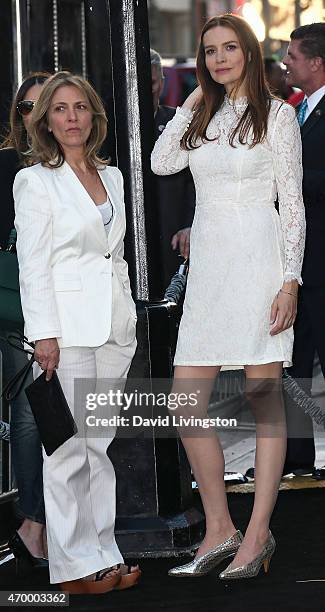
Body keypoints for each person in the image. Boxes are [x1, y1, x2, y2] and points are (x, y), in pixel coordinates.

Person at [151, 14, 305, 580]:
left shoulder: (280, 116)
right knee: (184, 401)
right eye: (209, 51)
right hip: (211, 270)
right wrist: (192, 102)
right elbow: (159, 162)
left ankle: (258, 530)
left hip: (261, 263)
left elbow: (293, 205)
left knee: (265, 400)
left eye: (229, 48)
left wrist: (290, 282)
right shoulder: (200, 116)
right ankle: (220, 526)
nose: (219, 59)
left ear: (249, 52)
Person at [13, 71, 140, 593]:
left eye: (79, 107)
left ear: (94, 116)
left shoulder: (112, 177)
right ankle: (71, 567)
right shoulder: (35, 180)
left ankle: (103, 553)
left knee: (98, 447)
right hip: (66, 329)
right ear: (46, 120)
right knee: (66, 450)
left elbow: (113, 253)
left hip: (113, 323)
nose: (71, 117)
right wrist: (44, 334)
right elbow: (33, 264)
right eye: (60, 108)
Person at [0, 72, 50, 569]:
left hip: (77, 303)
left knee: (75, 414)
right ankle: (32, 520)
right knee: (31, 413)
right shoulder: (6, 165)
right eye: (26, 107)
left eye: (45, 104)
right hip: (21, 306)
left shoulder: (81, 164)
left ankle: (57, 521)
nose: (34, 116)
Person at [282, 23, 325, 475]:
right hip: (295, 267)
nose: (285, 62)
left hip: (323, 264)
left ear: (316, 62)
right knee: (292, 369)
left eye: (292, 54)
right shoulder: (295, 109)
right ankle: (295, 459)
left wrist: (288, 186)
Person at [151, 48, 195, 284]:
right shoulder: (109, 128)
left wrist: (189, 225)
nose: (146, 89)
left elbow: (195, 182)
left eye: (153, 82)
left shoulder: (176, 124)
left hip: (174, 239)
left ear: (163, 82)